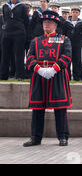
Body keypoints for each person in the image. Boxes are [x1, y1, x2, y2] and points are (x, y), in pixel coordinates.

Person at [23, 10, 72, 147]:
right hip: (39, 75)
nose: (46, 24)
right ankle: (35, 137)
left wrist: (53, 69)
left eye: (49, 22)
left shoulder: (63, 39)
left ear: (56, 24)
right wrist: (39, 69)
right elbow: (30, 57)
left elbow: (67, 57)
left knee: (60, 108)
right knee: (37, 108)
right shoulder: (35, 40)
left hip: (57, 75)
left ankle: (63, 137)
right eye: (44, 22)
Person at [1, 0, 29, 80]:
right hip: (7, 33)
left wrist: (24, 33)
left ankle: (20, 75)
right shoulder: (5, 6)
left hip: (19, 33)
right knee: (5, 54)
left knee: (19, 55)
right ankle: (3, 75)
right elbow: (5, 19)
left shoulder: (23, 7)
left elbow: (26, 22)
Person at [68, 6, 82, 81]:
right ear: (71, 13)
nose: (74, 14)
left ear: (79, 13)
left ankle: (78, 77)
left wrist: (79, 41)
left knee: (77, 61)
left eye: (76, 12)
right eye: (73, 12)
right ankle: (67, 77)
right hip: (68, 45)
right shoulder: (67, 23)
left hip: (77, 45)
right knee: (68, 61)